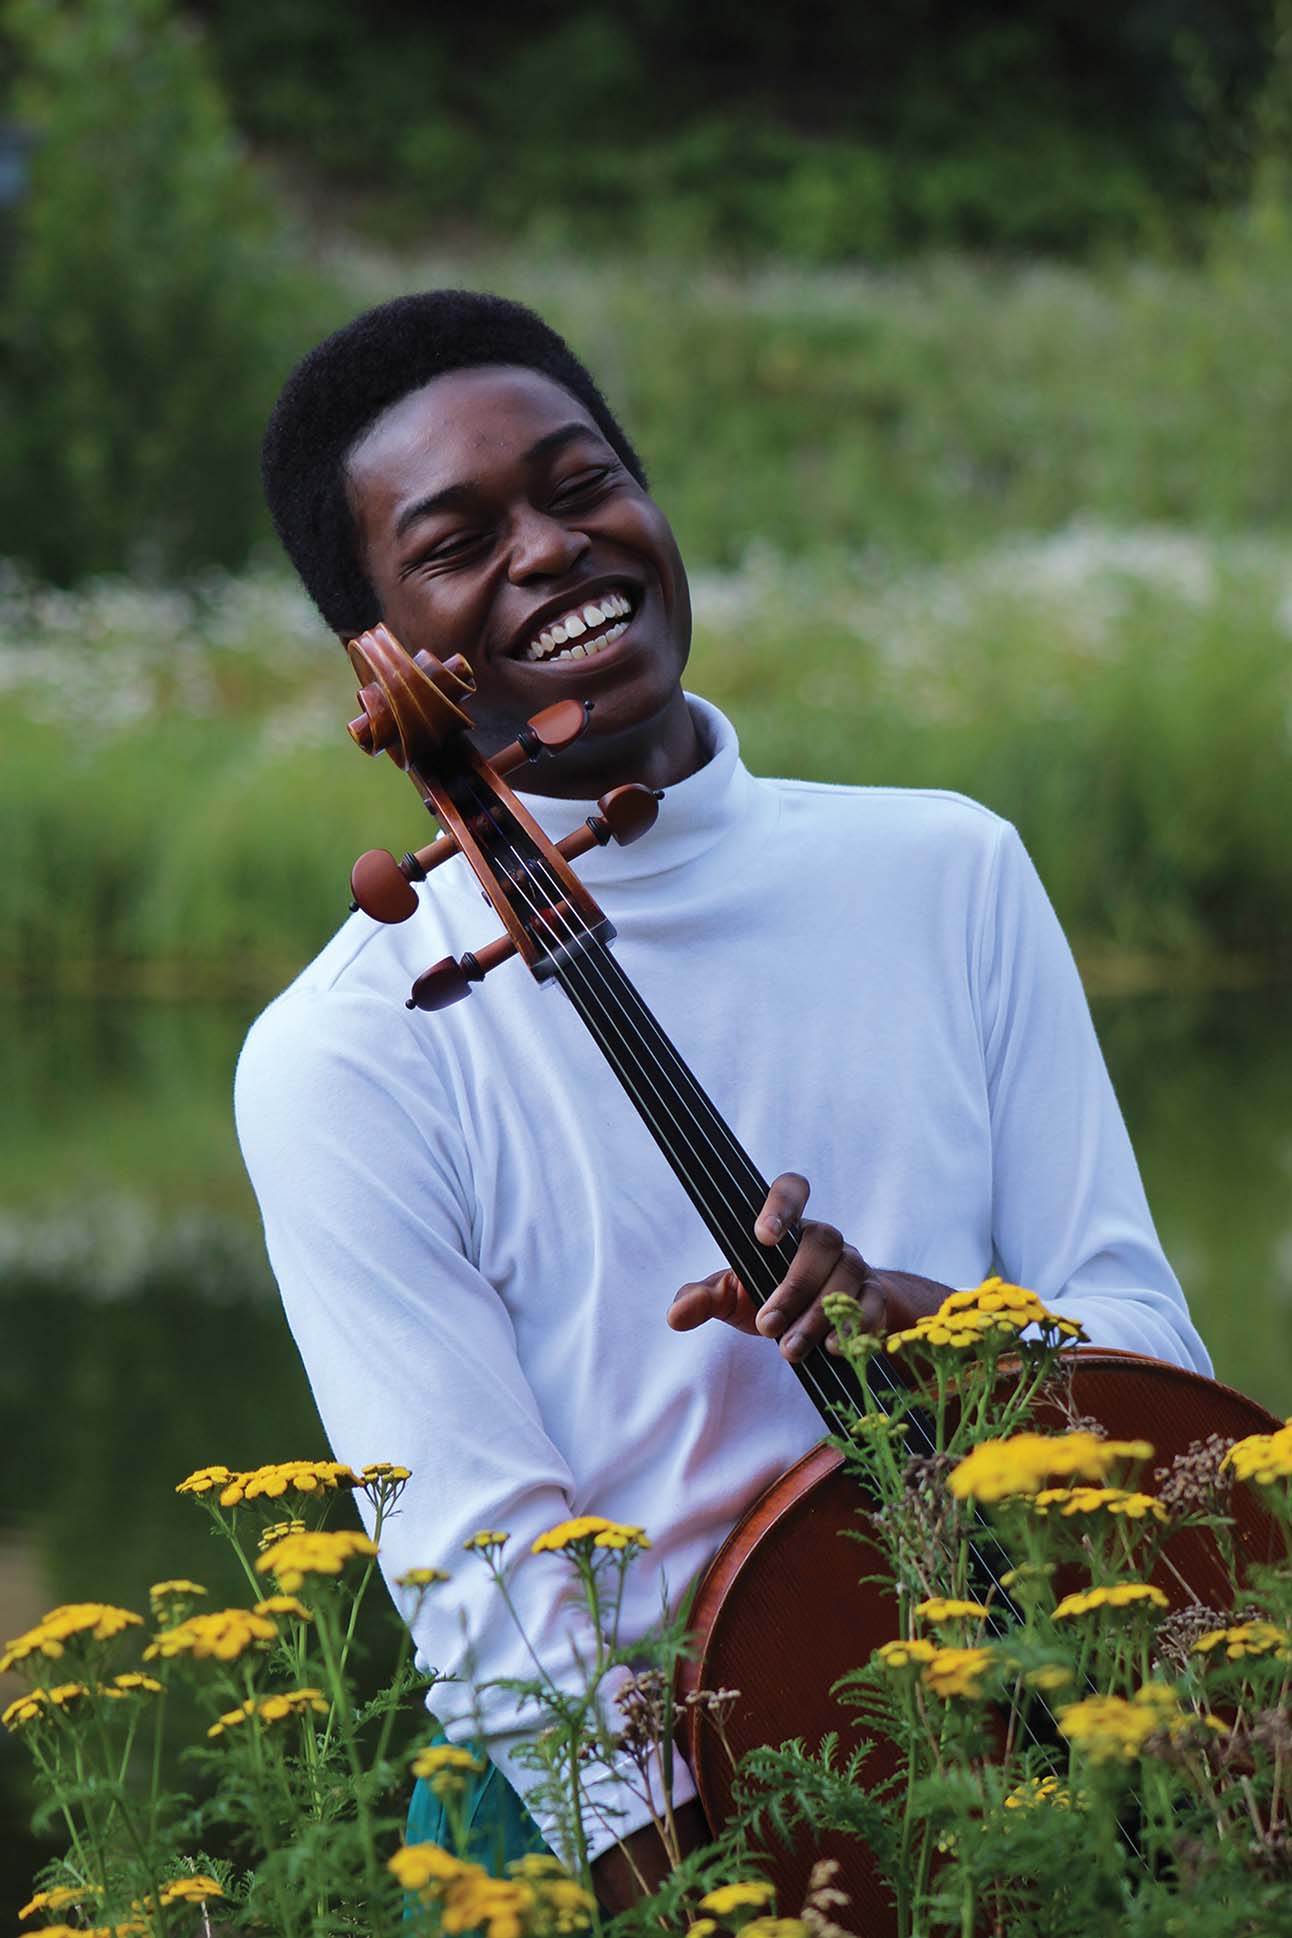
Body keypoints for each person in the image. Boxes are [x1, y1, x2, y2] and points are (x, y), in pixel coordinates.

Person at [236, 289, 1211, 1905]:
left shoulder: (946, 869)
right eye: (459, 539)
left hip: (1058, 1716)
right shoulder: (353, 1047)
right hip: (639, 1833)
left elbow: (1150, 1352)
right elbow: (491, 1589)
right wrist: (708, 1890)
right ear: (382, 655)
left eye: (579, 481)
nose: (551, 550)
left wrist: (947, 1334)